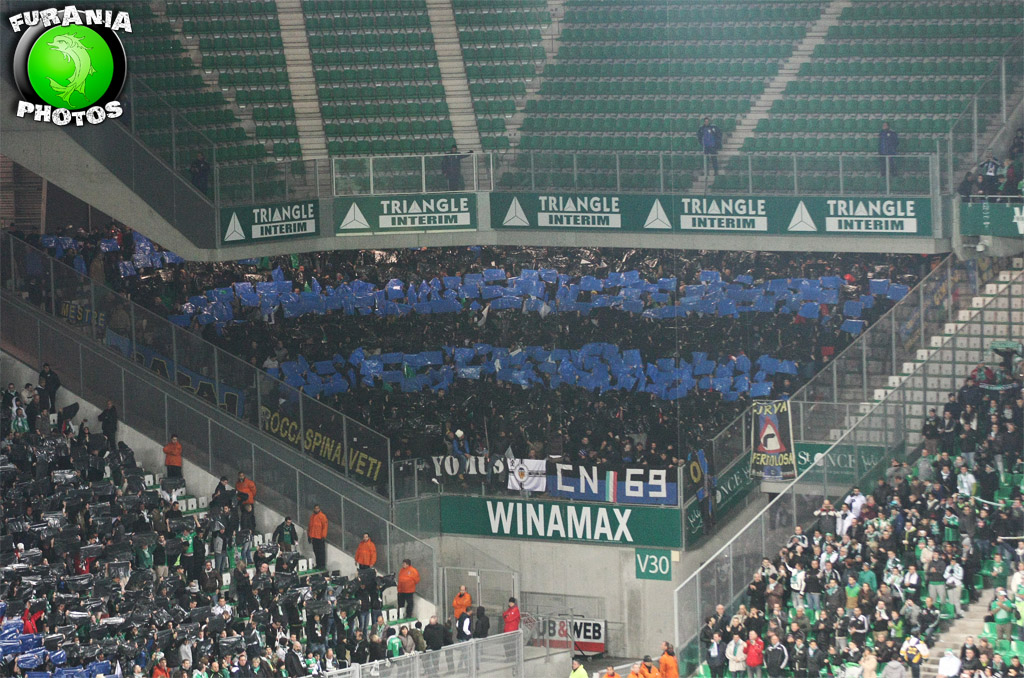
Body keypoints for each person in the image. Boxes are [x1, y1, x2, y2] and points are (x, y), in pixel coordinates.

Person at [307, 504, 328, 571]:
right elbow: (310, 527)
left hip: (320, 537)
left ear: (319, 509)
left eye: (317, 508)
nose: (316, 509)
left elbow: (325, 527)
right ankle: (318, 564)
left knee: (321, 552)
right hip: (314, 537)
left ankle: (322, 565)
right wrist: (309, 536)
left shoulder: (322, 516)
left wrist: (323, 536)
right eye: (315, 508)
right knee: (316, 552)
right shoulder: (312, 517)